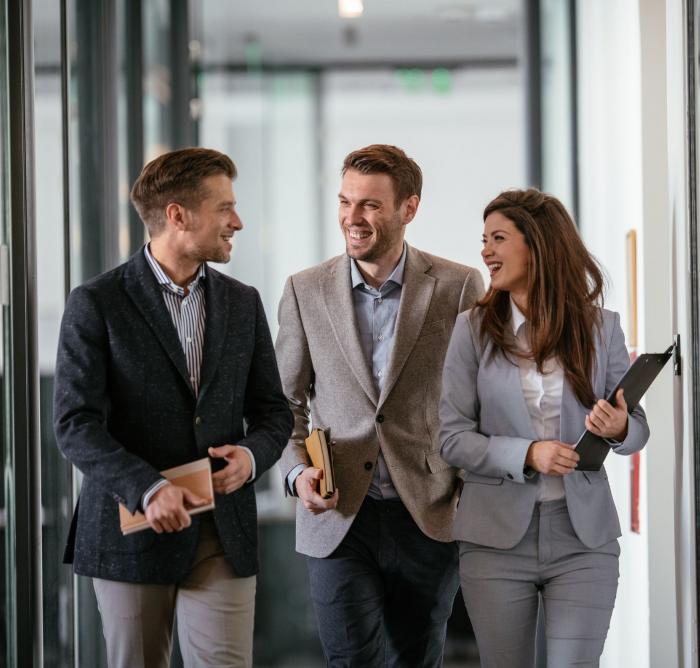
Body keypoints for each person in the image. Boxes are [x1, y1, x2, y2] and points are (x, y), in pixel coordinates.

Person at [53, 147, 293, 668]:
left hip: (223, 533)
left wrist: (252, 458)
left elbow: (274, 413)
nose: (238, 221)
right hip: (131, 529)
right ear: (178, 215)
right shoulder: (97, 302)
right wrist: (149, 487)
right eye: (225, 207)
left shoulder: (243, 301)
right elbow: (75, 424)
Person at [275, 143, 485, 666]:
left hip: (429, 511)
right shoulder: (305, 290)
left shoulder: (458, 286)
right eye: (346, 202)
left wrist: (466, 491)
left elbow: (479, 399)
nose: (353, 217)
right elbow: (283, 400)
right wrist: (297, 474)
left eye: (369, 204)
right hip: (339, 514)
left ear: (408, 208)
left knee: (417, 659)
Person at [439, 188, 649, 667]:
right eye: (484, 239)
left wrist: (618, 428)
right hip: (494, 541)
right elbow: (452, 438)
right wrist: (527, 454)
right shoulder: (471, 330)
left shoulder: (602, 328)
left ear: (536, 244)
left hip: (584, 540)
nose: (485, 251)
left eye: (498, 238)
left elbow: (636, 430)